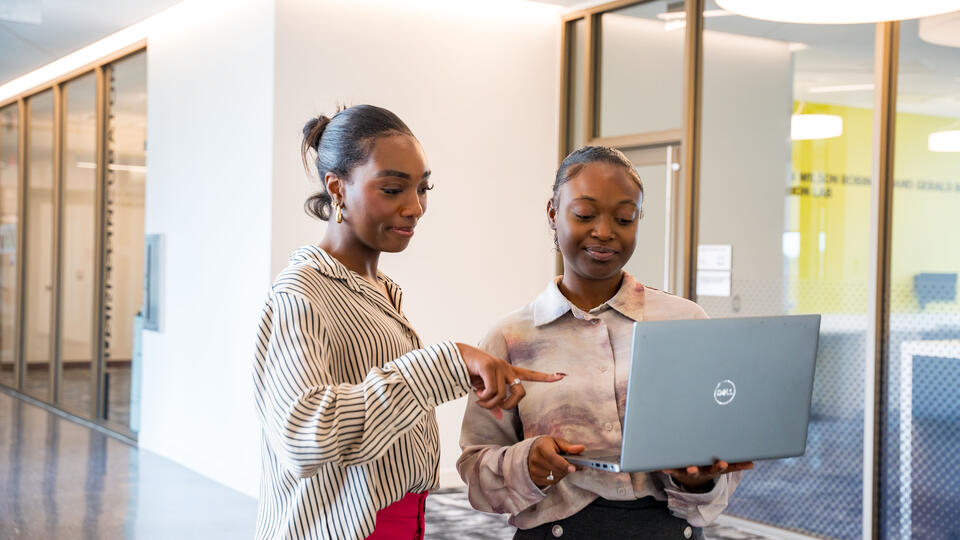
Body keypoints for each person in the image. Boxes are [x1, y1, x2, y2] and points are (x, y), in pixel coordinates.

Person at [253, 104, 563, 540]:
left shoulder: (379, 289)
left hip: (401, 522)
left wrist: (461, 376)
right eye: (394, 189)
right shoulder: (300, 293)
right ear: (337, 188)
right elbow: (304, 436)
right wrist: (444, 363)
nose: (415, 207)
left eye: (423, 188)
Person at [457, 146, 751, 539]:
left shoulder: (686, 322)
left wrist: (698, 481)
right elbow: (476, 466)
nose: (605, 231)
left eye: (625, 218)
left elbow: (719, 451)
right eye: (584, 214)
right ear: (552, 213)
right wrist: (526, 465)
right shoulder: (509, 337)